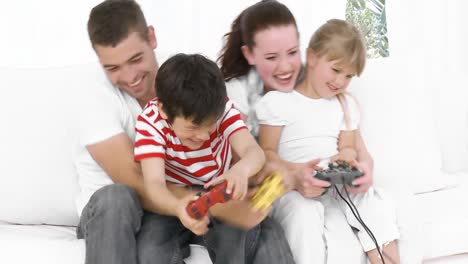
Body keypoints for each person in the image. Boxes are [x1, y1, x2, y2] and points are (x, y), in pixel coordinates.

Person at [75, 1, 295, 263]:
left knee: (262, 233)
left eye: (136, 59)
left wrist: (250, 177)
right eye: (112, 67)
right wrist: (206, 204)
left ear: (151, 38)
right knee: (123, 206)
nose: (130, 75)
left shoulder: (191, 78)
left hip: (202, 196)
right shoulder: (111, 105)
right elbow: (139, 182)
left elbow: (245, 151)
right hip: (135, 206)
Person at [218, 1, 390, 263]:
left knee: (365, 211)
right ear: (250, 55)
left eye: (291, 52)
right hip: (269, 192)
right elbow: (248, 166)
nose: (286, 66)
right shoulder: (240, 95)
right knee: (302, 214)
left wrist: (360, 165)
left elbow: (354, 146)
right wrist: (293, 174)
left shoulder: (320, 88)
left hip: (323, 188)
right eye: (272, 57)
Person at [255, 19, 401, 264]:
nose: (340, 81)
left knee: (373, 202)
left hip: (332, 186)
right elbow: (266, 154)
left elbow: (347, 145)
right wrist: (296, 173)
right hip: (291, 187)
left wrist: (347, 158)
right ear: (312, 57)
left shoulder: (344, 105)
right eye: (335, 70)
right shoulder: (279, 102)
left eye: (348, 75)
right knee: (304, 213)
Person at [135, 52, 284, 263]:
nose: (204, 136)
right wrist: (178, 207)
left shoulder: (220, 108)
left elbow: (253, 152)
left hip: (218, 195)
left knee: (236, 239)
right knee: (151, 250)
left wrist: (241, 170)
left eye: (211, 124)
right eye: (194, 127)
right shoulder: (151, 123)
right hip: (174, 197)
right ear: (163, 111)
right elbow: (154, 184)